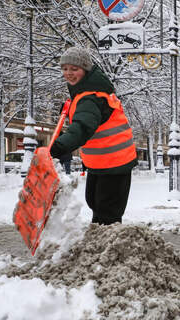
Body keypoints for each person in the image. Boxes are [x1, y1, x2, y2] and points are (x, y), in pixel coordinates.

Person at [50, 46, 137, 225]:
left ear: (86, 70)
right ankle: (100, 242)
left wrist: (58, 147)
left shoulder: (90, 97)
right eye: (65, 68)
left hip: (114, 162)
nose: (69, 73)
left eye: (74, 69)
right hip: (103, 162)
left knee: (107, 211)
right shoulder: (85, 93)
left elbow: (82, 127)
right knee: (95, 203)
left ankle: (112, 248)